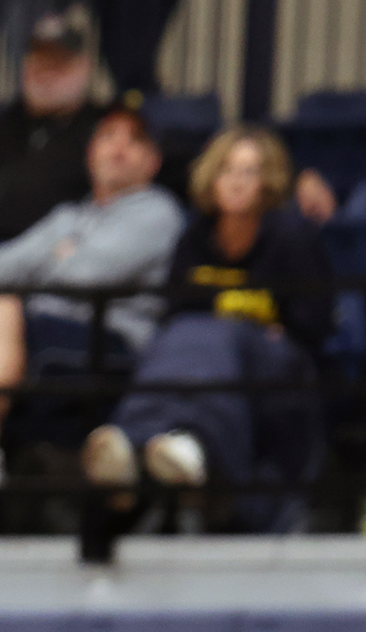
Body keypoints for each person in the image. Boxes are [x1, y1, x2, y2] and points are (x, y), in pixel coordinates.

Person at [0, 105, 186, 497]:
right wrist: (59, 253)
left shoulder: (158, 212)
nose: (118, 149)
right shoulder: (69, 215)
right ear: (90, 152)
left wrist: (56, 260)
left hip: (106, 339)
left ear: (152, 162)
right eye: (108, 137)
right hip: (32, 325)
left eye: (133, 142)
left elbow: (82, 277)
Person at [82, 127, 333, 529]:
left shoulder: (292, 236)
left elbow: (314, 322)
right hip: (203, 354)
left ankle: (196, 444)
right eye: (226, 170)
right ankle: (134, 449)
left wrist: (236, 321)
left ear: (267, 181)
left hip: (275, 361)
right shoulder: (195, 235)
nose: (235, 181)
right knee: (183, 341)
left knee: (213, 336)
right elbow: (175, 308)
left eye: (249, 172)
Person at [0, 11, 106, 244]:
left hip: (64, 256)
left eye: (58, 63)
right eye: (39, 60)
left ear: (84, 67)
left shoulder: (103, 132)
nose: (46, 72)